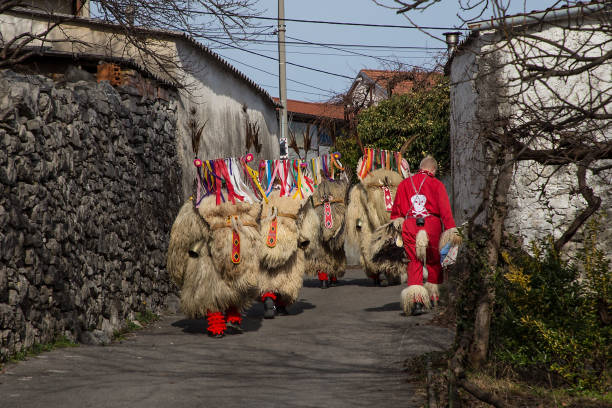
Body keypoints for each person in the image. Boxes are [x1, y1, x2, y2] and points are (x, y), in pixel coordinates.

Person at [390, 156, 460, 315]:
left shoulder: (404, 184)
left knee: (414, 262)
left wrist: (398, 230)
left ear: (421, 168)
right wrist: (451, 230)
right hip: (432, 225)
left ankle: (416, 302)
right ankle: (434, 297)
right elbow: (445, 212)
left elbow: (396, 214)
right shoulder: (437, 184)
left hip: (410, 225)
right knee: (434, 260)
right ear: (433, 170)